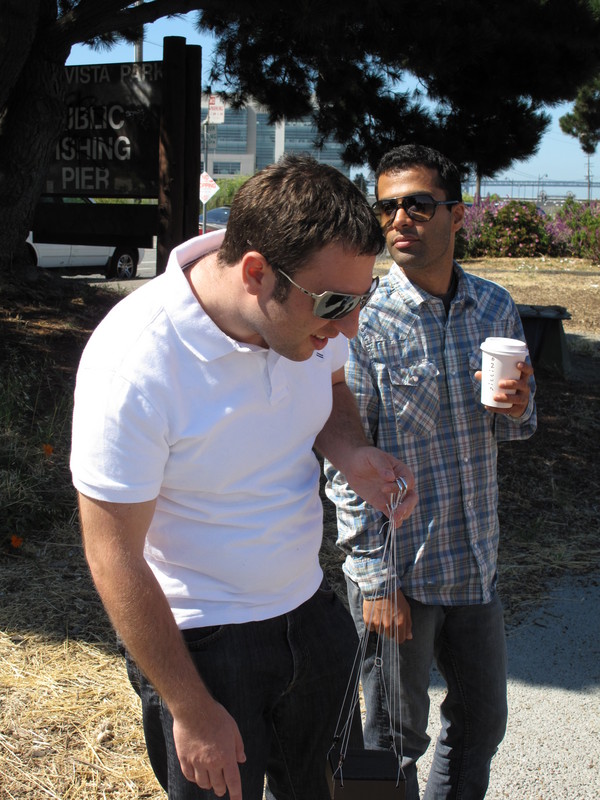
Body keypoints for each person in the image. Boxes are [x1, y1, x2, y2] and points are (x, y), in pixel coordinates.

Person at [70, 153, 417, 800]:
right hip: (200, 647)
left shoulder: (310, 320)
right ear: (256, 273)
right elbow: (111, 554)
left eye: (363, 299)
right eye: (339, 303)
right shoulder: (136, 362)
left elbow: (334, 386)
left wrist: (352, 452)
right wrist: (189, 707)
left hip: (310, 616)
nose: (350, 326)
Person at [325, 144, 537, 800]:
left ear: (456, 213)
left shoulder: (494, 308)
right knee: (393, 742)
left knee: (481, 724)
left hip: (474, 565)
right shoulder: (364, 320)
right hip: (400, 574)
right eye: (386, 206)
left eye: (417, 203)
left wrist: (521, 407)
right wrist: (375, 580)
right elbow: (346, 462)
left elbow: (515, 426)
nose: (399, 220)